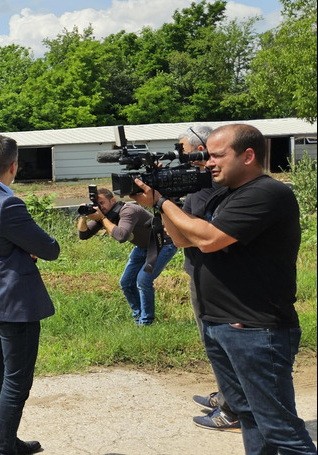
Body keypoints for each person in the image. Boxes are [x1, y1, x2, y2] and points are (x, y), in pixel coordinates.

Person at [132, 124, 315, 455]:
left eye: (216, 155)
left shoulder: (267, 192)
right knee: (247, 416)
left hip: (257, 328)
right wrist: (162, 202)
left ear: (248, 156)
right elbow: (184, 238)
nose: (208, 162)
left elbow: (210, 239)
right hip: (220, 322)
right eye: (206, 154)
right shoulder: (225, 193)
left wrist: (161, 202)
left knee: (280, 427)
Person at [0, 135, 59, 455]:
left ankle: (1, 439)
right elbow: (49, 248)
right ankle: (2, 448)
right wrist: (28, 249)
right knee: (16, 382)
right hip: (15, 304)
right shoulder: (8, 203)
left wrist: (19, 249)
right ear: (14, 167)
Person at [176, 125, 239, 431]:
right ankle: (226, 396)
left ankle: (231, 408)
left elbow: (188, 235)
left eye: (185, 151)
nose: (182, 158)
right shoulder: (202, 185)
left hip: (216, 276)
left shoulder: (209, 188)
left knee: (217, 341)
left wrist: (164, 203)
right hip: (203, 272)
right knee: (213, 341)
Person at [77, 187, 178, 325]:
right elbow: (84, 235)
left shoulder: (128, 210)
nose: (99, 207)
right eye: (96, 204)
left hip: (162, 244)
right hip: (143, 247)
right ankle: (138, 316)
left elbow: (121, 236)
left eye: (101, 203)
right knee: (126, 282)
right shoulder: (106, 214)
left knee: (143, 280)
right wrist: (83, 216)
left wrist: (101, 218)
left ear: (112, 200)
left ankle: (147, 322)